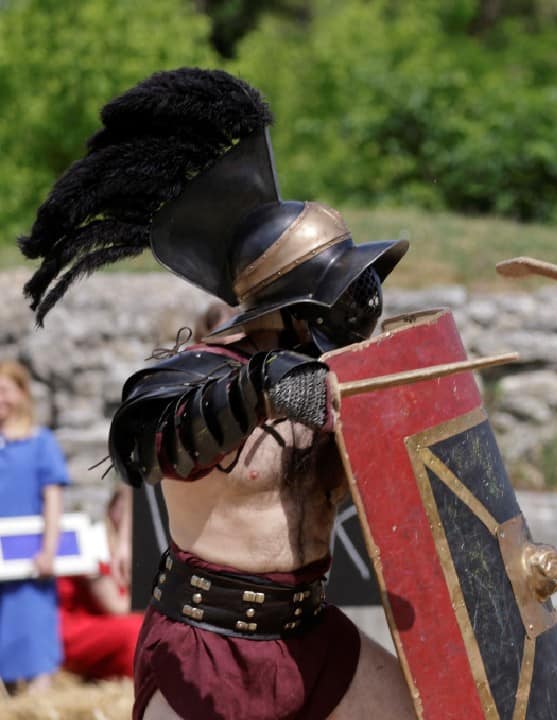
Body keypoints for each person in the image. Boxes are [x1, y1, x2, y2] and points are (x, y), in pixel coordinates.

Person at [19, 69, 414, 719]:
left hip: (312, 633)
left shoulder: (335, 374)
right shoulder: (191, 372)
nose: (355, 302)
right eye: (334, 287)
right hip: (208, 648)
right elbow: (142, 446)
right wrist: (261, 390)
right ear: (293, 303)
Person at [0, 360, 70, 696]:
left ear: (22, 394)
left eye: (4, 391)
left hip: (32, 562)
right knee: (7, 651)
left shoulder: (40, 442)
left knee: (35, 639)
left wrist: (48, 550)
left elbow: (52, 500)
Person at [58, 488, 144, 681]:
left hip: (105, 623)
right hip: (78, 627)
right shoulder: (95, 539)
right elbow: (115, 606)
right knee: (139, 629)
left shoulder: (141, 545)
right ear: (113, 508)